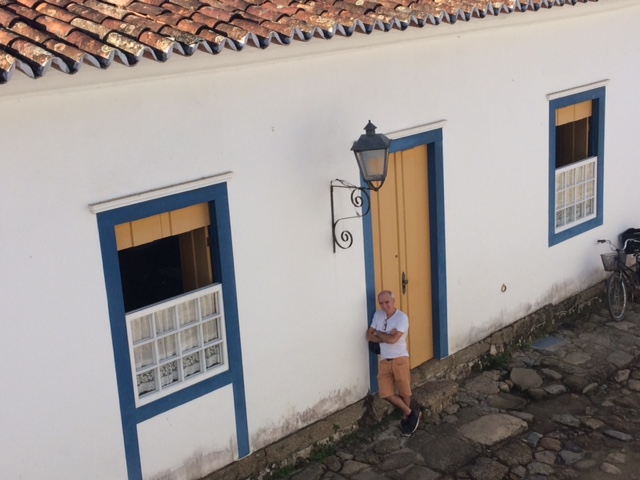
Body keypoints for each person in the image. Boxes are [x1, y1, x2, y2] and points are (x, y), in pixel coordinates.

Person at [366, 290, 421, 436]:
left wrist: (378, 333)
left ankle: (406, 420)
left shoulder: (401, 318)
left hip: (399, 359)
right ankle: (411, 413)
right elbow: (368, 335)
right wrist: (383, 334)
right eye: (381, 303)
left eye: (387, 302)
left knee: (404, 391)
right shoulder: (378, 315)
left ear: (393, 301)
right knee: (385, 393)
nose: (384, 306)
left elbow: (392, 340)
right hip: (385, 360)